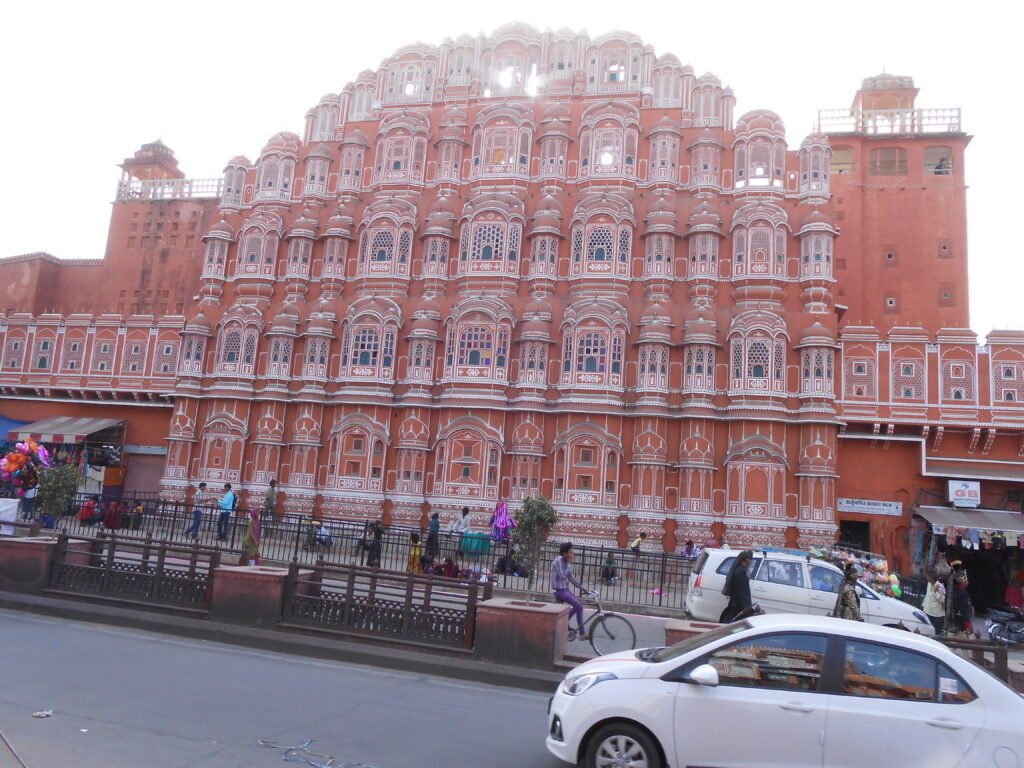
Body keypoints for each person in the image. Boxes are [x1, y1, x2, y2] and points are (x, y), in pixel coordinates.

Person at [551, 542, 588, 640]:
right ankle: (582, 633)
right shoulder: (558, 561)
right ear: (564, 554)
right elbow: (562, 575)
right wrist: (568, 565)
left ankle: (566, 621)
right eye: (570, 552)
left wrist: (582, 588)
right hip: (559, 590)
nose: (572, 554)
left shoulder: (566, 563)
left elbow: (571, 578)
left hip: (565, 589)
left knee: (579, 606)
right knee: (579, 606)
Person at [719, 550, 753, 623]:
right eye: (750, 560)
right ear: (746, 560)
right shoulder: (740, 572)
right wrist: (745, 607)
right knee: (730, 623)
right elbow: (741, 591)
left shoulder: (740, 570)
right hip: (738, 604)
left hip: (736, 603)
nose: (751, 562)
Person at [923, 570, 946, 634]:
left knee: (936, 633)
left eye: (928, 577)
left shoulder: (940, 586)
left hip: (936, 615)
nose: (927, 578)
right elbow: (927, 596)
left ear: (932, 578)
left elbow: (943, 600)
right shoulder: (929, 584)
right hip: (927, 612)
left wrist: (936, 592)